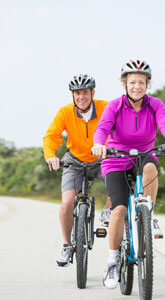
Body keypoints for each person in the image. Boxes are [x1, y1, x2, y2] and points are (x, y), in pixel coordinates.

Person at [91, 60, 165, 289]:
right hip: (115, 159)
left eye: (141, 82)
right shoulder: (114, 105)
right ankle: (112, 262)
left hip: (143, 155)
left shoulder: (155, 105)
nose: (136, 86)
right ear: (125, 83)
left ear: (147, 84)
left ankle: (148, 215)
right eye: (132, 82)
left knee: (151, 167)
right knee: (119, 209)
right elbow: (102, 128)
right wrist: (98, 144)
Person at [43, 74, 111, 267]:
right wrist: (50, 155)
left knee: (119, 183)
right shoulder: (65, 112)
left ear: (92, 93)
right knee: (66, 204)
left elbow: (119, 127)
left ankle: (107, 209)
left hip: (102, 158)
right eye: (77, 93)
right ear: (72, 95)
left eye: (85, 93)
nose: (81, 97)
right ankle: (66, 245)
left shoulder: (106, 107)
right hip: (74, 161)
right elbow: (51, 136)